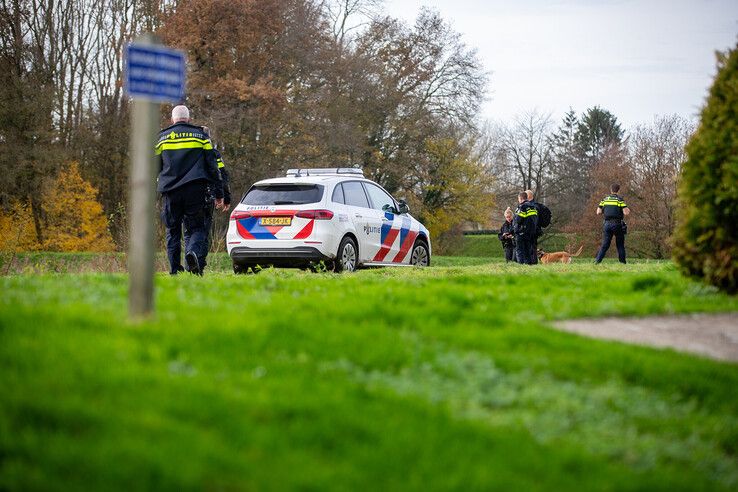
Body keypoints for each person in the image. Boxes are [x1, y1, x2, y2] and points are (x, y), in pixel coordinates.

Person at [156, 105, 224, 276]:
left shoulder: (161, 138)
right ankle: (191, 253)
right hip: (196, 189)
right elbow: (212, 165)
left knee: (172, 231)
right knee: (197, 229)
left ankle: (173, 270)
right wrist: (219, 192)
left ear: (172, 119)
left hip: (170, 191)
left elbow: (154, 166)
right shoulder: (200, 136)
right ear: (188, 118)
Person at [185, 126, 232, 255]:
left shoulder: (189, 154)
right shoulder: (214, 154)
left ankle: (190, 260)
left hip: (188, 195)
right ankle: (197, 263)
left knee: (188, 231)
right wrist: (224, 197)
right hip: (207, 196)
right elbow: (222, 176)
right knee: (203, 231)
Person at [594, 183, 630, 264]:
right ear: (618, 190)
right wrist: (626, 209)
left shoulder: (604, 199)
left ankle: (597, 261)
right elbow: (626, 212)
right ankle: (622, 262)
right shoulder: (620, 200)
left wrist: (606, 211)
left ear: (611, 190)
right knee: (620, 245)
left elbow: (598, 212)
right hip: (617, 224)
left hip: (607, 224)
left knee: (605, 244)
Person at [524, 189, 551, 265]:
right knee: (533, 247)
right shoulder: (537, 205)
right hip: (536, 230)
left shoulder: (531, 206)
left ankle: (532, 264)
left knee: (531, 248)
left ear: (528, 196)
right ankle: (532, 263)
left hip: (531, 231)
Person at [513, 191, 538, 264]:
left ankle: (521, 266)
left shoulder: (522, 207)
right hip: (530, 233)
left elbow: (518, 220)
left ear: (520, 198)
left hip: (521, 232)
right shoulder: (533, 207)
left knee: (520, 250)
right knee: (528, 250)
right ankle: (529, 265)